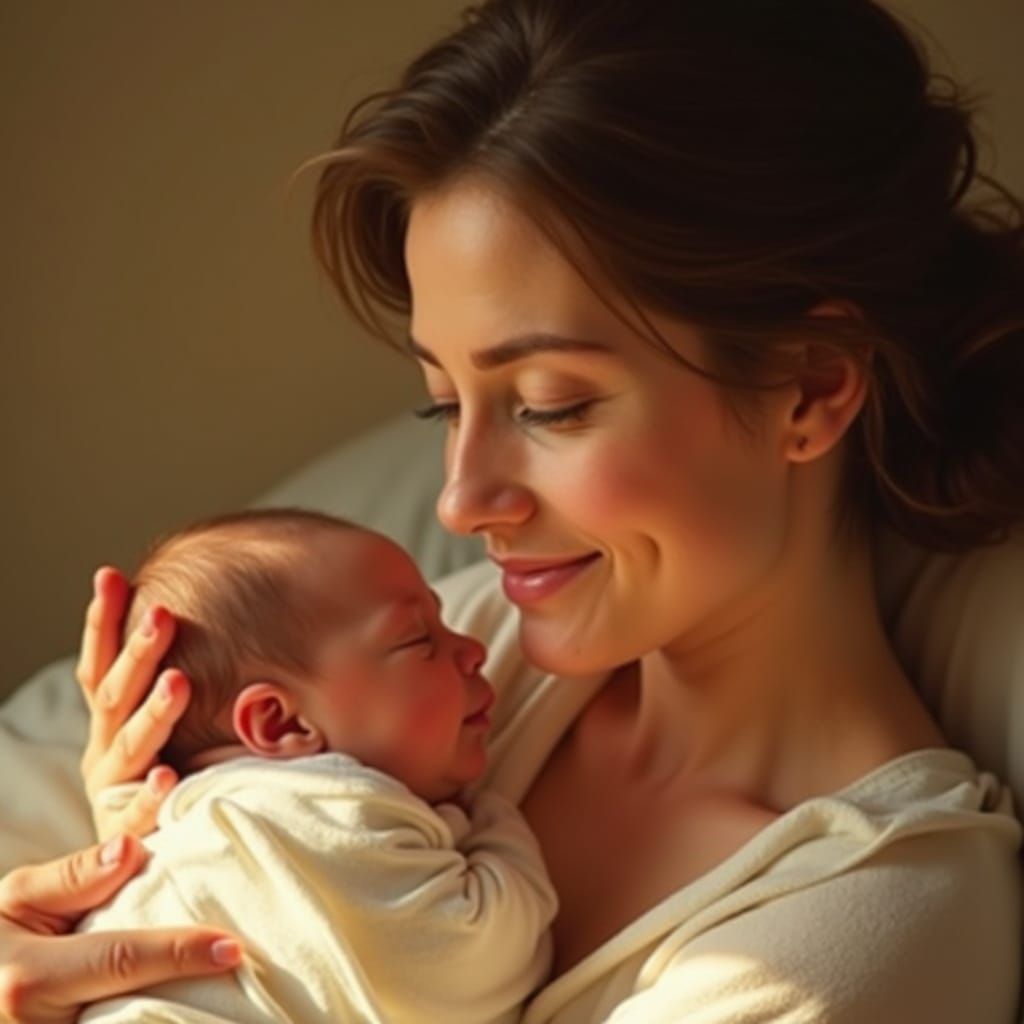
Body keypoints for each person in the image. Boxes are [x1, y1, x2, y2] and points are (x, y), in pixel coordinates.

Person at [3, 0, 1024, 1021]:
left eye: (550, 405)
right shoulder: (458, 649)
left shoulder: (868, 925)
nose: (457, 497)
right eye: (441, 402)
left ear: (807, 387)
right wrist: (147, 842)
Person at [74, 508, 556, 1023]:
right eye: (420, 640)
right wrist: (492, 827)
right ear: (281, 724)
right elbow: (470, 965)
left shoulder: (177, 814)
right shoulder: (330, 810)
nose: (474, 650)